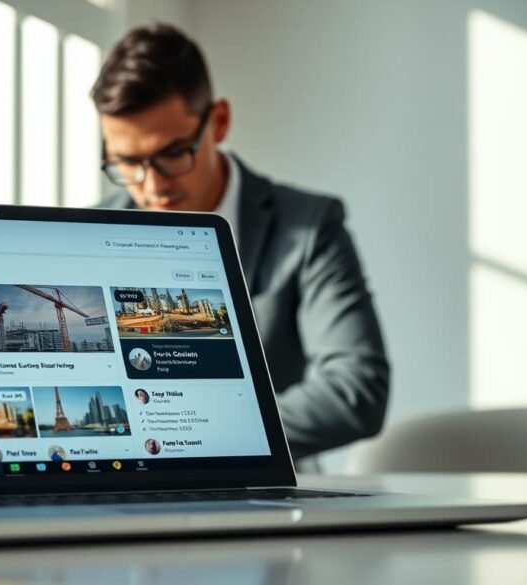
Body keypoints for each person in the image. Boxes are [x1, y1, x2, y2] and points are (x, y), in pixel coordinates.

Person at [93, 24, 390, 459]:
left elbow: (356, 388)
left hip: (265, 496)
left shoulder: (309, 227)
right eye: (128, 162)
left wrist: (196, 438)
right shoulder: (95, 229)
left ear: (218, 122)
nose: (152, 184)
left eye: (173, 154)